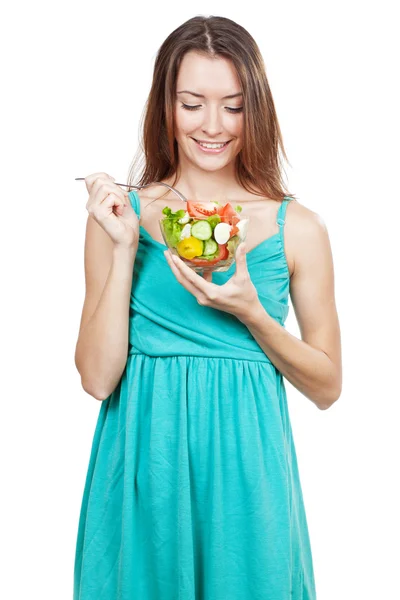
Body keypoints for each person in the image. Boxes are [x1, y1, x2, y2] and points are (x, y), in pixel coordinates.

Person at [73, 15, 342, 600]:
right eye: (192, 103)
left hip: (248, 482)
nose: (213, 126)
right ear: (164, 107)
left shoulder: (296, 227)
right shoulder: (121, 216)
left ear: (257, 111)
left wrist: (252, 314)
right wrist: (123, 252)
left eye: (234, 106)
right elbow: (97, 379)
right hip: (147, 471)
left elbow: (327, 386)